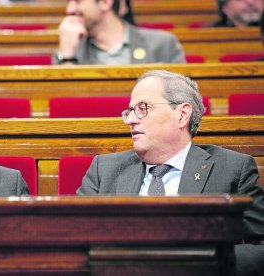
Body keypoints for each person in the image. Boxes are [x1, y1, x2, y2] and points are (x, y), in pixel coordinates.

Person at [77, 70, 264, 276]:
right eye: (129, 111)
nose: (130, 119)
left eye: (142, 108)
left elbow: (261, 247)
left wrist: (204, 264)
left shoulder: (231, 168)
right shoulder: (104, 169)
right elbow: (73, 241)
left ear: (182, 114)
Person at [55, 0, 185, 65]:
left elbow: (182, 102)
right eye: (68, 2)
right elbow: (61, 106)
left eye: (77, 1)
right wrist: (67, 57)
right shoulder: (69, 49)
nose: (70, 10)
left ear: (105, 2)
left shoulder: (162, 44)